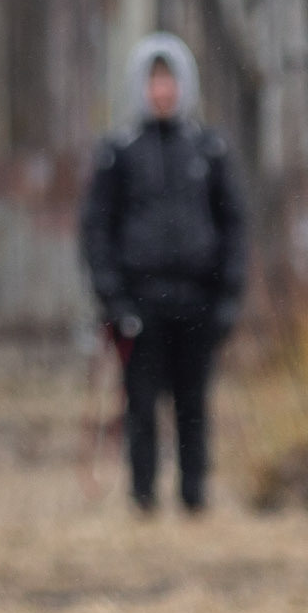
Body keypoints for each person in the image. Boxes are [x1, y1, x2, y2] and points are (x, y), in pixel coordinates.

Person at [80, 33, 247, 514]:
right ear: (140, 88)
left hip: (198, 300)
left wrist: (228, 296)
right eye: (154, 83)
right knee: (140, 404)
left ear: (184, 86)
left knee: (193, 404)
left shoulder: (209, 149)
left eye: (169, 82)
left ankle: (194, 496)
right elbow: (96, 231)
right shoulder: (119, 152)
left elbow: (233, 224)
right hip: (139, 300)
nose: (162, 92)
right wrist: (113, 300)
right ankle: (143, 496)